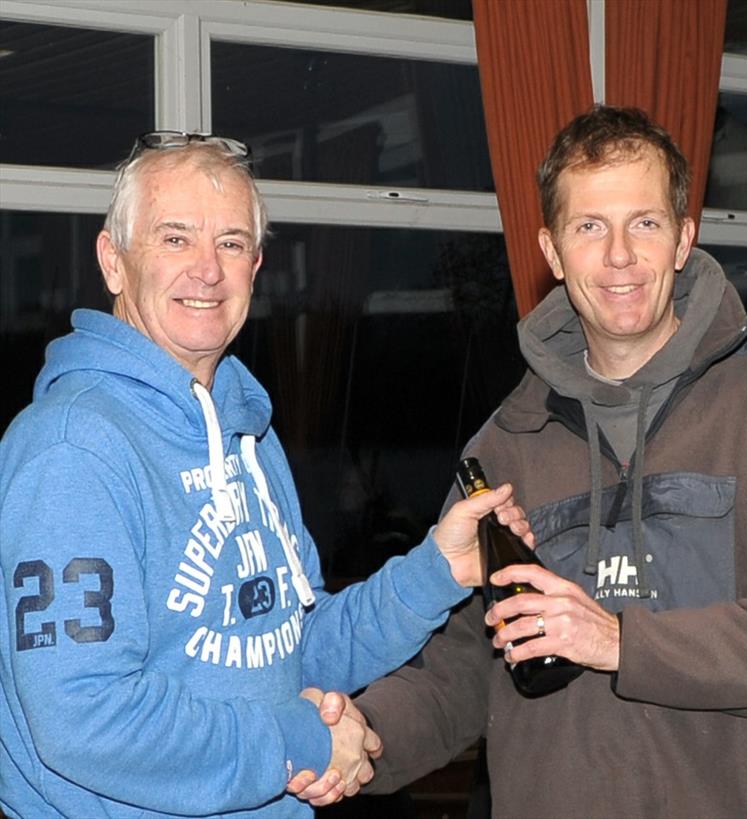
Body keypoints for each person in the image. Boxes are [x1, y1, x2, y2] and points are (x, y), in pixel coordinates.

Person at [0, 131, 534, 819]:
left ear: (256, 267)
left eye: (229, 243)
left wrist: (439, 567)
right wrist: (302, 741)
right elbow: (83, 715)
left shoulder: (250, 434)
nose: (207, 270)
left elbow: (292, 650)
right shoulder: (72, 450)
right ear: (113, 260)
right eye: (175, 239)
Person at [302, 105, 747, 818]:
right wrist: (358, 738)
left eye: (645, 223)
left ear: (684, 238)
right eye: (590, 227)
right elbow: (459, 678)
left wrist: (620, 640)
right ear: (553, 251)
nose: (620, 255)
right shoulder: (504, 448)